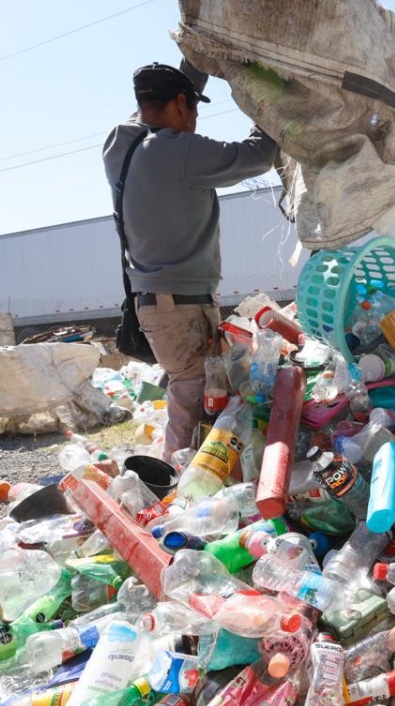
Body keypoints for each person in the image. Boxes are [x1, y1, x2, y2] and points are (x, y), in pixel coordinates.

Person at [103, 61, 278, 459]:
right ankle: (174, 487)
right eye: (194, 109)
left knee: (205, 393)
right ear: (181, 104)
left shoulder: (121, 142)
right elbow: (260, 155)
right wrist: (267, 102)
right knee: (192, 398)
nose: (196, 120)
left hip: (158, 305)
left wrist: (195, 62)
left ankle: (197, 471)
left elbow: (159, 102)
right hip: (180, 309)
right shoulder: (181, 152)